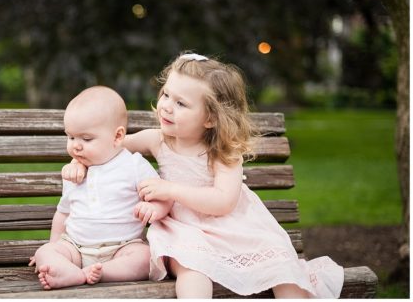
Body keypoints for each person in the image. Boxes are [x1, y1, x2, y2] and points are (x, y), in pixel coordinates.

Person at [63, 53, 343, 298]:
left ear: (210, 118)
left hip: (234, 227)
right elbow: (106, 147)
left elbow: (223, 202)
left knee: (281, 265)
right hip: (183, 230)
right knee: (192, 266)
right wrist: (79, 162)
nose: (166, 106)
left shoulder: (223, 152)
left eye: (181, 103)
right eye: (165, 95)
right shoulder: (156, 139)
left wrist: (170, 190)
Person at [29, 86, 172, 290]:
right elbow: (63, 213)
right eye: (70, 137)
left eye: (86, 139)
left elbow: (163, 195)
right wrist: (54, 247)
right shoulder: (74, 172)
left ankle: (103, 272)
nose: (76, 146)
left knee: (144, 257)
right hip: (75, 248)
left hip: (122, 247)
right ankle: (73, 272)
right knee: (45, 252)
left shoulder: (134, 165)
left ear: (117, 137)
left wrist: (155, 209)